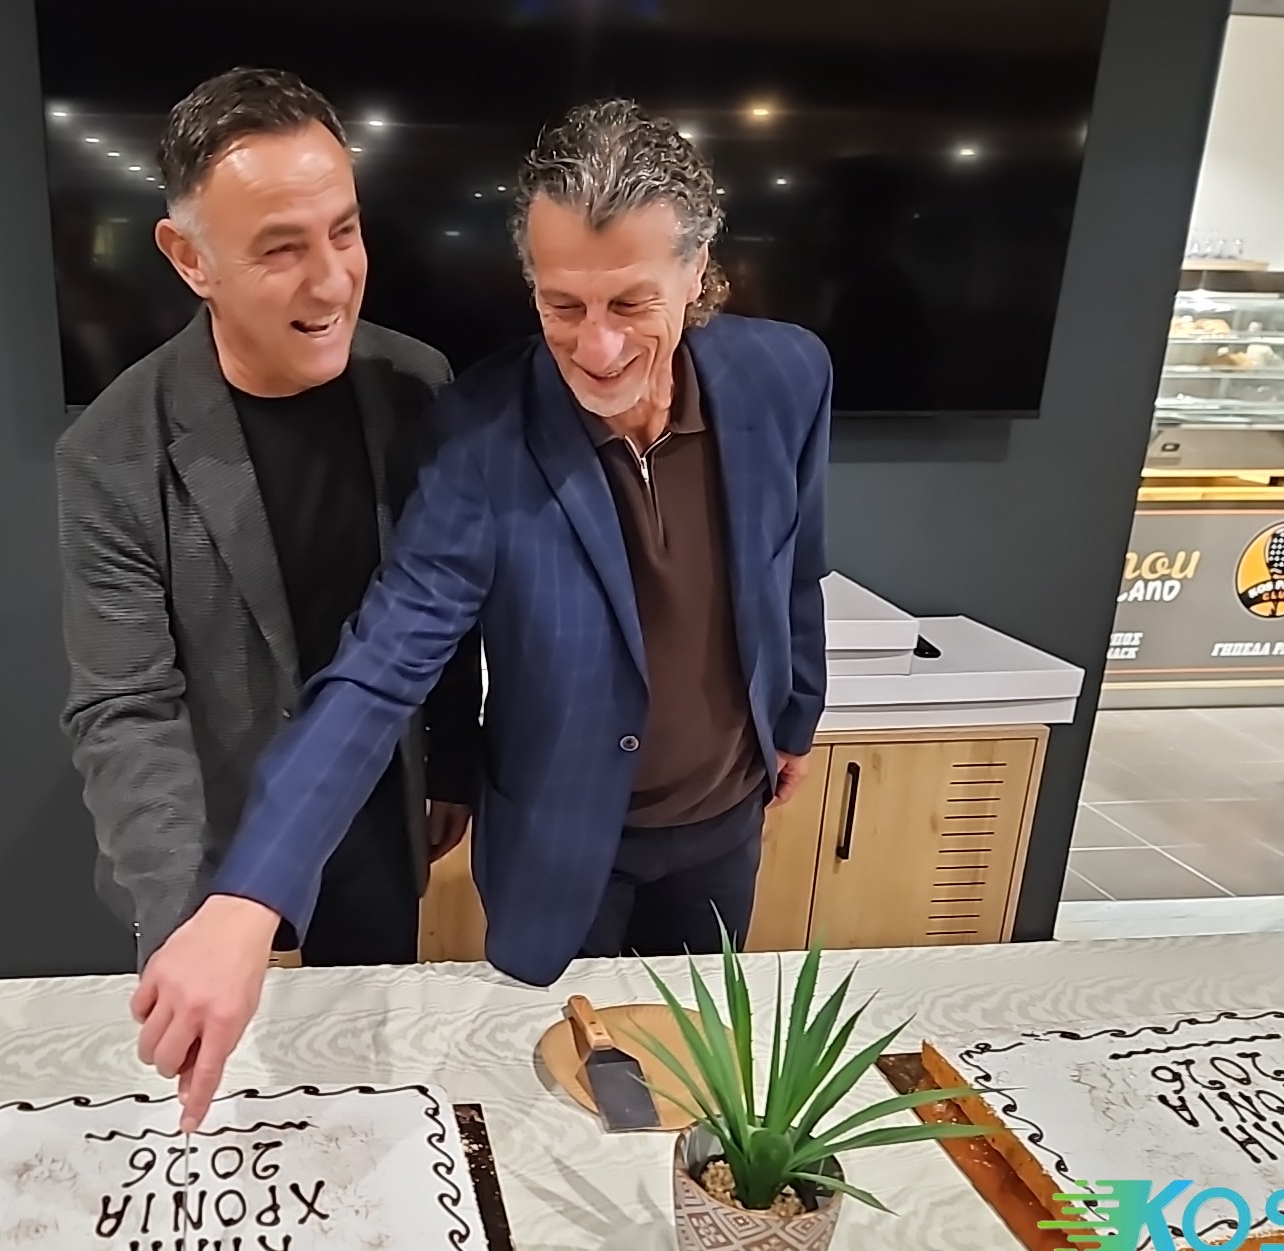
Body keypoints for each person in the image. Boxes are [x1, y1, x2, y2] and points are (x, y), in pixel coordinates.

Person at [138, 99, 832, 1127]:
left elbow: (796, 562)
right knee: (560, 1119)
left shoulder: (788, 376)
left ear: (696, 271)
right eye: (562, 305)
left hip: (725, 827)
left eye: (631, 302)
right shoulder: (477, 441)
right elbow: (381, 667)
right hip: (561, 848)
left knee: (696, 1100)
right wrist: (248, 899)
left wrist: (795, 715)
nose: (597, 346)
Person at [58, 68, 481, 970]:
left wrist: (452, 764)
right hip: (213, 844)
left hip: (376, 821)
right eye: (282, 250)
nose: (332, 283)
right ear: (190, 258)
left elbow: (446, 601)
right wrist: (183, 920)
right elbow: (125, 707)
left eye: (345, 231)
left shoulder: (417, 386)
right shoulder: (112, 452)